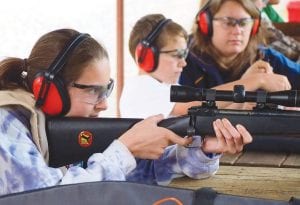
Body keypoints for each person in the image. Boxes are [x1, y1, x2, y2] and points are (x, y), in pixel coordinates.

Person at [0, 28, 200, 196]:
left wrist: (196, 151)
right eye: (93, 91)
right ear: (50, 89)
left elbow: (134, 174)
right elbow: (50, 198)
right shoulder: (5, 125)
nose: (104, 104)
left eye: (106, 89)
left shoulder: (51, 124)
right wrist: (125, 150)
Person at [120, 13, 252, 184]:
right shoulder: (140, 87)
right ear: (145, 56)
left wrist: (243, 106)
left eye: (185, 54)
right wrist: (250, 82)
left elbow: (209, 114)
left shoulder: (168, 89)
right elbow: (195, 106)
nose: (184, 63)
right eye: (177, 54)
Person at [179, 0, 300, 109]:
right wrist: (255, 81)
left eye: (244, 23)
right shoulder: (182, 61)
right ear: (206, 24)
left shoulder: (265, 57)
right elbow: (180, 111)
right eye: (228, 22)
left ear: (254, 26)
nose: (237, 31)